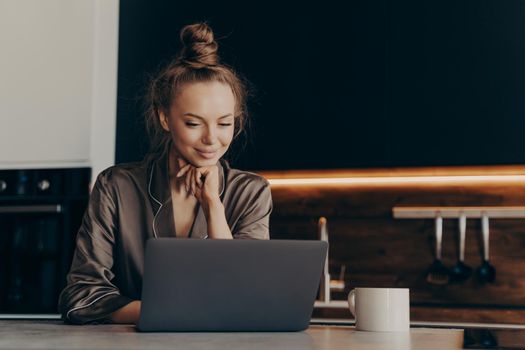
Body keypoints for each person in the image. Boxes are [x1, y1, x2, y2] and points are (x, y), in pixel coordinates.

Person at [58, 22, 272, 325]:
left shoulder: (252, 191)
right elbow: (80, 297)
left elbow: (245, 295)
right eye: (194, 123)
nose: (212, 139)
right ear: (164, 118)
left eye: (224, 123)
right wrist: (173, 314)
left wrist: (213, 205)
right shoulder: (116, 186)